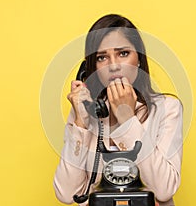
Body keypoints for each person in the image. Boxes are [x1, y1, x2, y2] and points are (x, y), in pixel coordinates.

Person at [53, 14, 183, 206]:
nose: (113, 66)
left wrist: (128, 121)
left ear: (138, 58)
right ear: (92, 67)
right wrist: (80, 122)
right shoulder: (86, 111)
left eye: (123, 53)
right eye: (102, 57)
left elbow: (164, 190)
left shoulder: (167, 109)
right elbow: (66, 194)